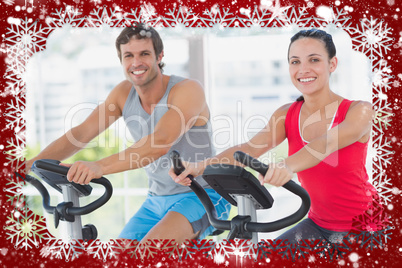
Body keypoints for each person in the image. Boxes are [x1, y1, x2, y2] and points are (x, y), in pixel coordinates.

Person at [26, 23, 230, 245]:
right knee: (119, 257)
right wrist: (29, 165)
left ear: (159, 55)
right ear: (121, 60)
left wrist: (99, 166)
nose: (136, 63)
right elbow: (82, 132)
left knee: (148, 252)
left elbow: (159, 143)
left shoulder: (188, 90)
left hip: (204, 195)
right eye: (128, 56)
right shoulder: (123, 94)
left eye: (144, 54)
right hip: (156, 199)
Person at [170, 29, 378, 244]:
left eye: (314, 60)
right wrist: (198, 167)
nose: (303, 69)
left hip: (365, 228)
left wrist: (286, 166)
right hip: (318, 225)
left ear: (332, 64)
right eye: (295, 61)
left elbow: (325, 143)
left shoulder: (359, 111)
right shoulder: (286, 115)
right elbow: (250, 149)